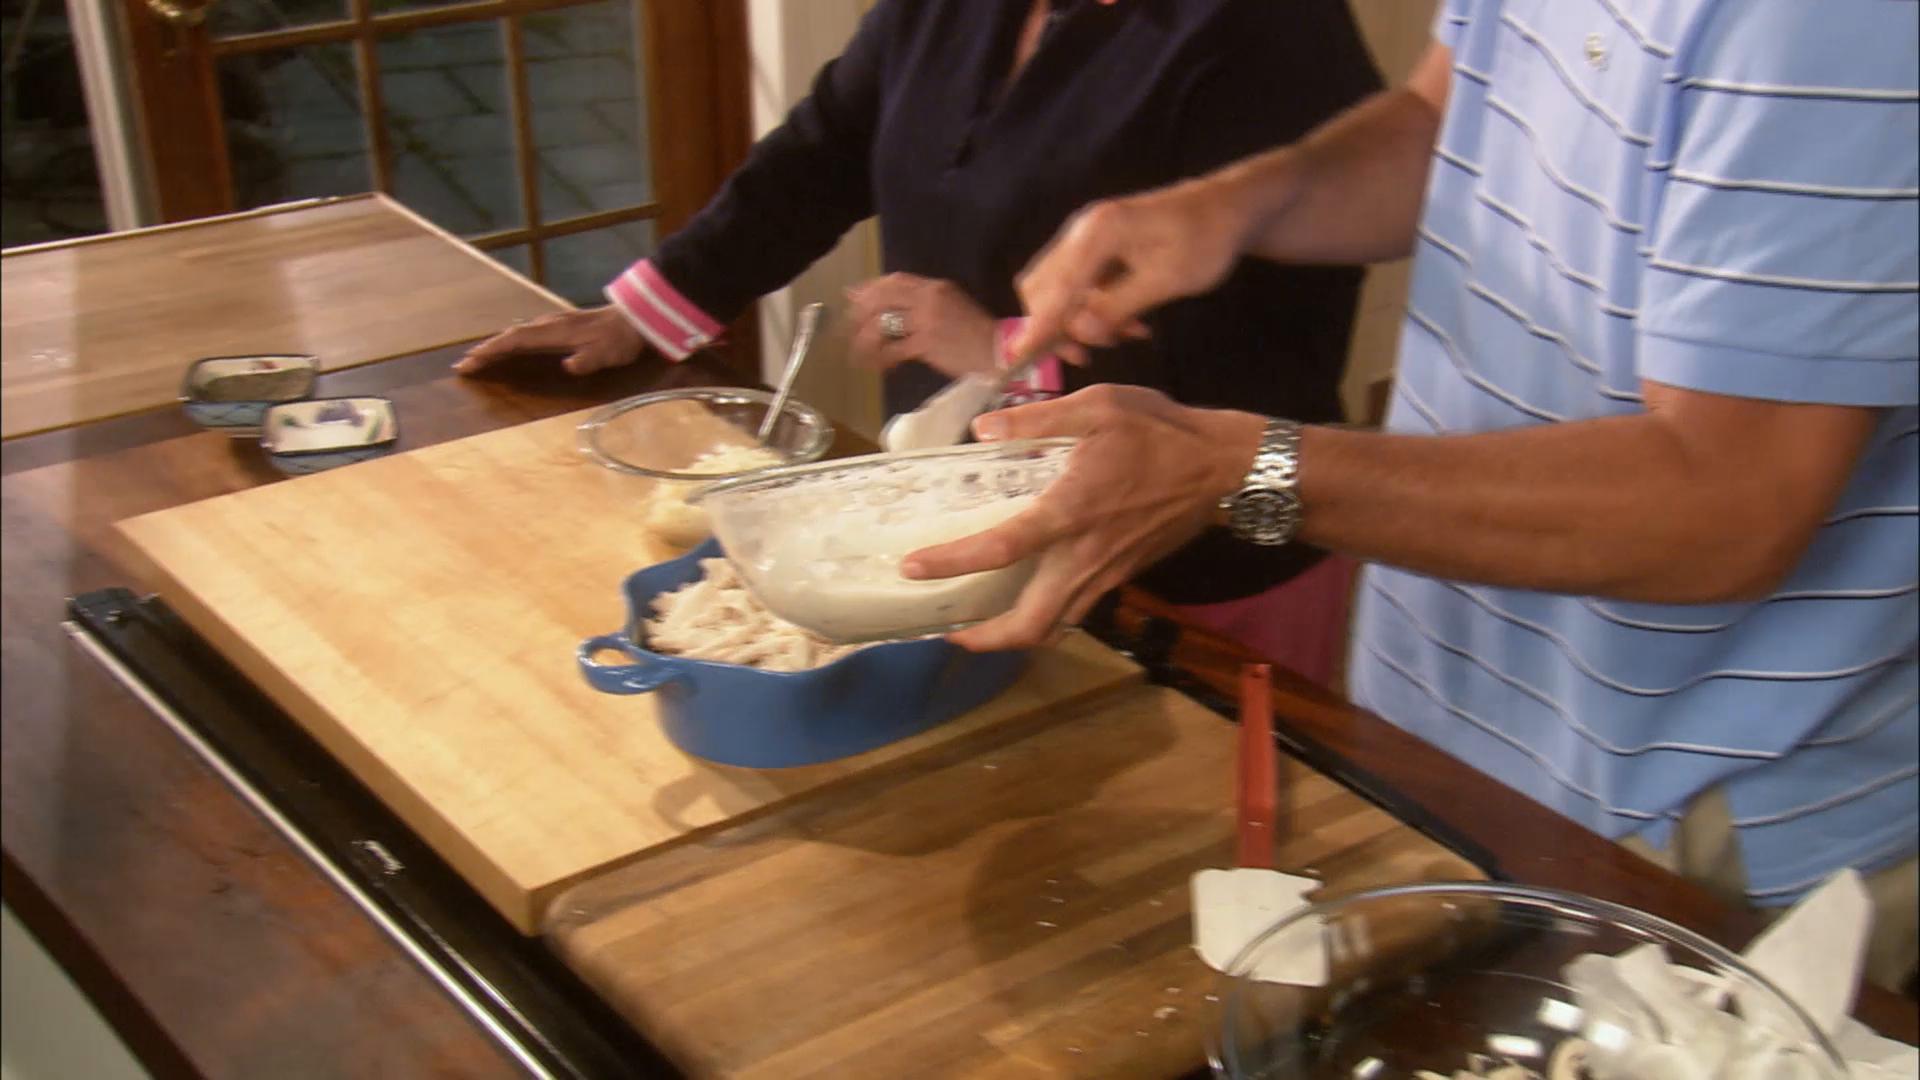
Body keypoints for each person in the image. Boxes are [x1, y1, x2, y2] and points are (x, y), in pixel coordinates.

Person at [902, 0, 1919, 988]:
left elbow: (1728, 507)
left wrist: (1241, 473)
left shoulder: (1834, 24)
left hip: (1688, 838)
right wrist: (1245, 203)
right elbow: (1447, 116)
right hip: (1455, 743)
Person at [453, 0, 1384, 684]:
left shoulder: (1274, 33)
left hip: (1201, 571)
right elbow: (824, 152)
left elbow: (1260, 365)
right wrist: (645, 312)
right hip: (965, 533)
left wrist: (998, 349)